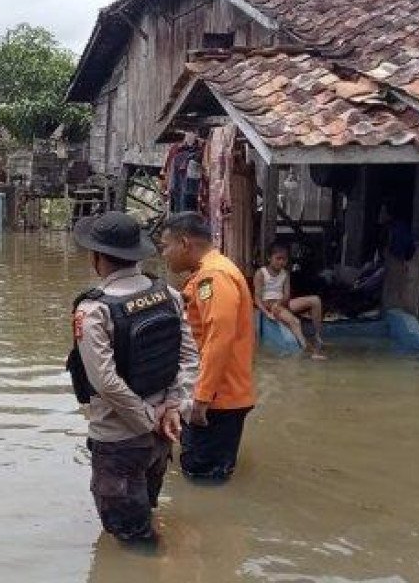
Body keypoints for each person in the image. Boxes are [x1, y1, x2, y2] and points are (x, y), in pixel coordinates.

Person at [66, 211, 199, 544]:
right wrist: (171, 407)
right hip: (162, 434)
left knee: (131, 539)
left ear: (97, 258)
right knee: (144, 515)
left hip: (120, 440)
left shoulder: (93, 310)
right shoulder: (166, 293)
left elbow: (105, 382)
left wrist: (145, 419)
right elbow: (190, 357)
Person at [159, 212, 255, 482]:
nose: (164, 254)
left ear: (185, 243)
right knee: (202, 470)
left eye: (166, 246)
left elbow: (219, 337)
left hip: (216, 398)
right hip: (218, 393)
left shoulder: (213, 277)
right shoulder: (211, 272)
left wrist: (201, 398)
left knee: (203, 478)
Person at [254, 242, 327, 360]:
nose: (281, 262)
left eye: (284, 259)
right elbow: (257, 298)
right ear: (269, 258)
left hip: (282, 303)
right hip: (269, 304)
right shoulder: (261, 273)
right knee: (296, 322)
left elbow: (287, 294)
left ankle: (317, 337)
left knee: (316, 300)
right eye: (278, 258)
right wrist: (267, 313)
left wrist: (280, 302)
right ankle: (309, 351)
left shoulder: (285, 274)